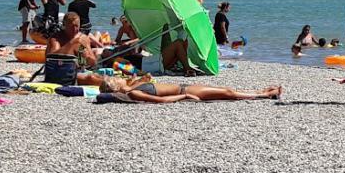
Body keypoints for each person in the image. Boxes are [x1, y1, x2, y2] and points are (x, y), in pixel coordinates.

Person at [101, 76, 281, 103]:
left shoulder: (133, 85)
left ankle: (260, 91)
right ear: (116, 85)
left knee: (225, 90)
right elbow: (161, 101)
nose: (119, 77)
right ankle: (264, 94)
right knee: (227, 93)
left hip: (185, 87)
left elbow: (147, 79)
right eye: (116, 78)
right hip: (184, 91)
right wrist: (185, 96)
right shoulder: (132, 92)